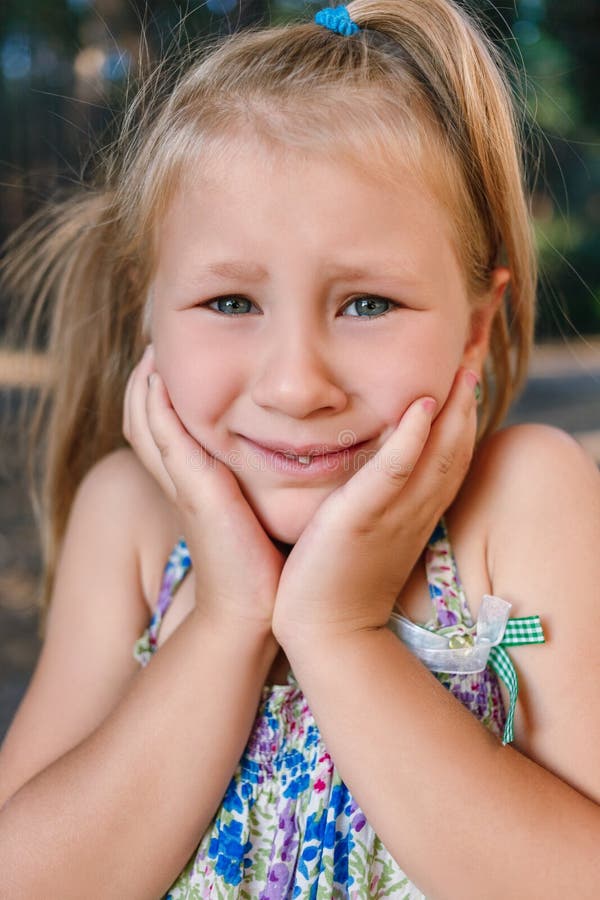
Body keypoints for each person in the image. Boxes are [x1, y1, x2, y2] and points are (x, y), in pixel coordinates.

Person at [0, 0, 598, 895]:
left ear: (477, 330)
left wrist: (339, 631)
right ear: (147, 314)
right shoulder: (131, 520)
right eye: (232, 304)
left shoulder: (521, 504)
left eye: (368, 304)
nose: (295, 385)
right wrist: (227, 616)